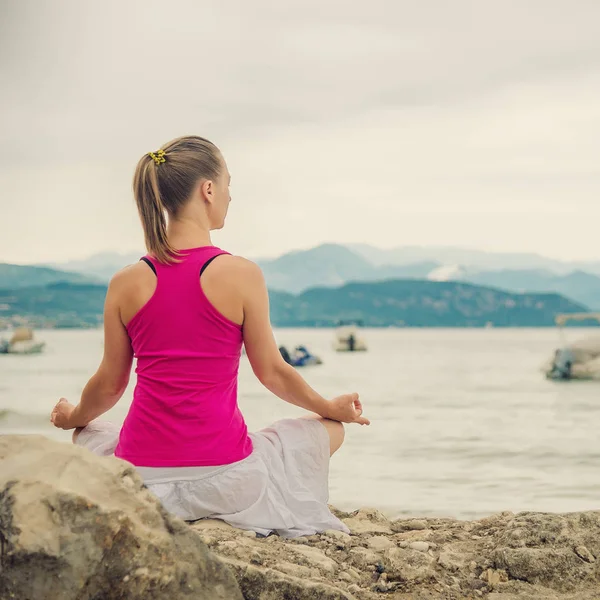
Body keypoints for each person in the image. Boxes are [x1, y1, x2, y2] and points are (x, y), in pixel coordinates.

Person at [50, 135, 369, 538]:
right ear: (208, 189)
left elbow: (110, 385)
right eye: (228, 185)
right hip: (227, 483)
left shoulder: (125, 282)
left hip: (141, 482)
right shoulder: (241, 274)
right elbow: (273, 372)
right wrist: (329, 406)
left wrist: (72, 417)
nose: (230, 197)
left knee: (88, 434)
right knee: (328, 430)